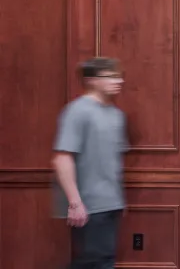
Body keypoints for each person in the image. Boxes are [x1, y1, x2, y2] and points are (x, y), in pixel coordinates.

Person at [51, 57, 128, 268]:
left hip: (111, 204)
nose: (118, 81)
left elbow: (112, 162)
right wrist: (75, 203)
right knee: (95, 262)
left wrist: (118, 201)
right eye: (111, 76)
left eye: (119, 76)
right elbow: (62, 159)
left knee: (100, 261)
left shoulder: (117, 115)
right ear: (92, 80)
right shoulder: (77, 111)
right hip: (88, 206)